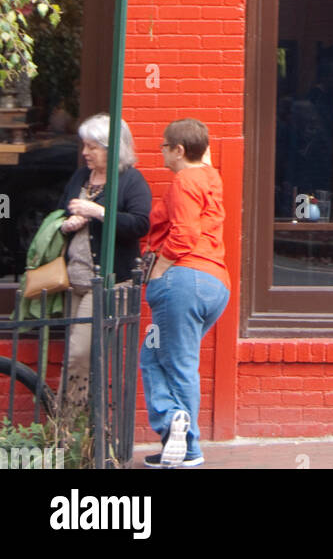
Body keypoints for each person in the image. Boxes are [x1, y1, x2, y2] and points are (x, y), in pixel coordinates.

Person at [140, 119, 230, 469]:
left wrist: (160, 270)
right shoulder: (210, 177)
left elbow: (184, 234)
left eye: (164, 146)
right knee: (154, 355)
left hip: (183, 283)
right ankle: (174, 430)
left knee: (179, 363)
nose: (160, 151)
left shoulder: (184, 180)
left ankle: (186, 444)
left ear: (179, 150)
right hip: (212, 285)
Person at [57, 114, 151, 407]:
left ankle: (68, 424)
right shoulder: (80, 177)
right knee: (78, 353)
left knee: (80, 352)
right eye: (85, 146)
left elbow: (139, 224)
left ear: (112, 149)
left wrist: (97, 212)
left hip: (108, 281)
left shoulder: (130, 180)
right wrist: (67, 222)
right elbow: (60, 211)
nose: (85, 153)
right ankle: (82, 425)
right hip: (73, 280)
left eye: (93, 147)